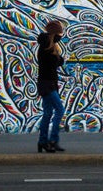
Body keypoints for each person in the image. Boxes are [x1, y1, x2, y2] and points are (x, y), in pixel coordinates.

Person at [36, 20, 66, 153]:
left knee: (48, 113)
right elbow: (52, 63)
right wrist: (60, 59)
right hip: (47, 84)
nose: (61, 35)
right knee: (59, 110)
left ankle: (43, 142)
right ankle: (53, 139)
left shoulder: (49, 45)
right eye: (60, 32)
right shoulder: (46, 47)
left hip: (48, 83)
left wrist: (58, 59)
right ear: (55, 33)